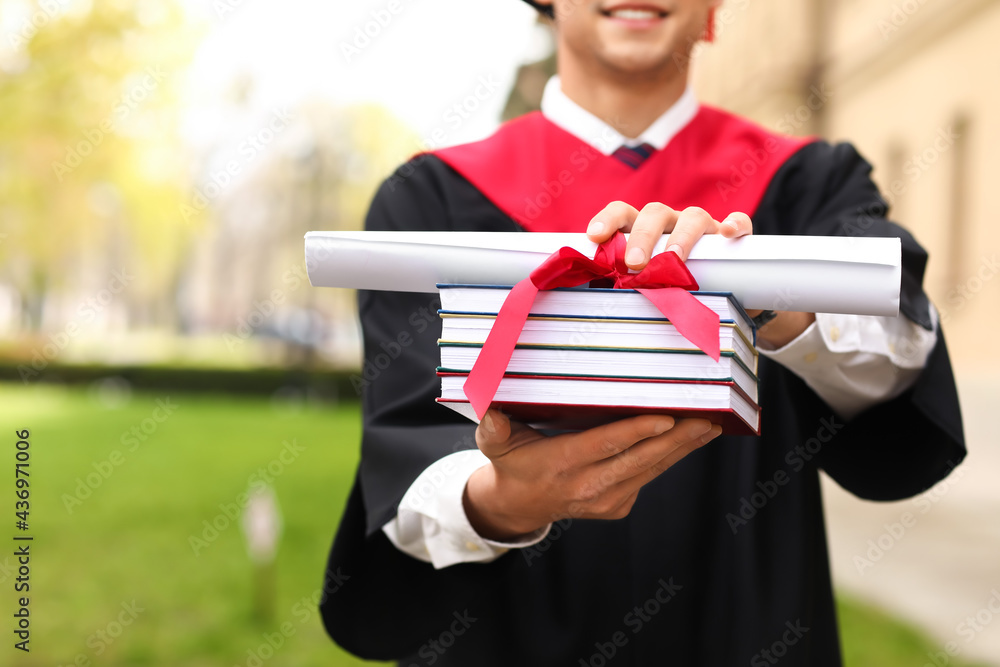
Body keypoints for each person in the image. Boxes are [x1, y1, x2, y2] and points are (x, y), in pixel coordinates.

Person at [320, 1, 966, 664]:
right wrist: (503, 502)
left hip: (748, 630)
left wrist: (768, 290)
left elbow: (901, 344)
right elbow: (406, 468)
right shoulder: (434, 200)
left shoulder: (805, 185)